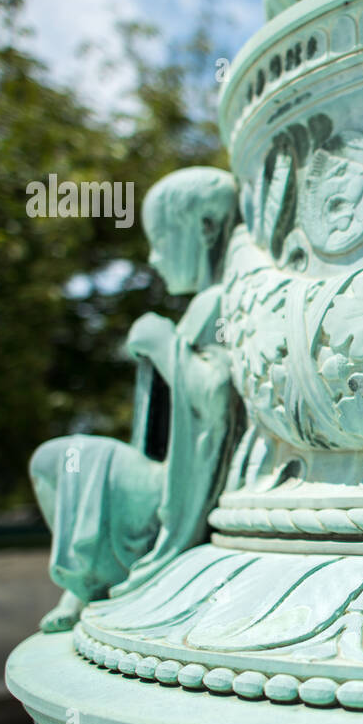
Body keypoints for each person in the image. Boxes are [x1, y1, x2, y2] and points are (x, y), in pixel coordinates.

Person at [29, 167, 239, 630]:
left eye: (162, 239)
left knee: (56, 459)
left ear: (204, 229)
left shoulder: (221, 301)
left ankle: (93, 581)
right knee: (57, 461)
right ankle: (87, 581)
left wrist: (164, 343)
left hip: (177, 489)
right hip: (173, 473)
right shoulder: (208, 302)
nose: (154, 257)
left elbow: (218, 397)